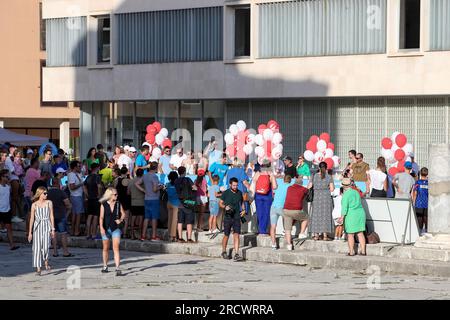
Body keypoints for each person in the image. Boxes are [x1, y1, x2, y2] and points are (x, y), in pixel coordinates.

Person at [28, 187, 56, 276]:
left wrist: (53, 229)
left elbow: (51, 216)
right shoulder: (34, 205)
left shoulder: (49, 203)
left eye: (46, 193)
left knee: (46, 246)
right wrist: (30, 232)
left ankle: (46, 262)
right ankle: (38, 268)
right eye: (44, 193)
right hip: (37, 227)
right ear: (39, 194)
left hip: (46, 225)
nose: (46, 195)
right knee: (36, 248)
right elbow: (32, 219)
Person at [99, 187, 126, 276]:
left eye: (117, 194)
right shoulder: (103, 204)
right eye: (115, 194)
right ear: (110, 195)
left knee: (116, 248)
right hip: (106, 228)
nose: (117, 195)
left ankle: (117, 268)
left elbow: (123, 214)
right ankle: (105, 266)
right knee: (105, 248)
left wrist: (121, 219)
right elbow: (101, 217)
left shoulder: (118, 204)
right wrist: (101, 228)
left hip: (116, 228)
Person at [337, 178, 367, 256]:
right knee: (360, 233)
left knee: (350, 234)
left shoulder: (346, 195)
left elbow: (344, 208)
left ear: (343, 186)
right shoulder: (356, 192)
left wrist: (341, 217)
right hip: (360, 213)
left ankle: (351, 252)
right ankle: (363, 251)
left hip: (351, 215)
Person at [219, 177, 245, 261]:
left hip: (237, 217)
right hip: (228, 217)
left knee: (236, 235)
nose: (235, 187)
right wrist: (225, 207)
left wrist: (244, 210)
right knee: (226, 235)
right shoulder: (226, 193)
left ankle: (236, 254)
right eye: (233, 185)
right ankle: (223, 251)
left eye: (236, 185)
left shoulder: (239, 193)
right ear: (230, 185)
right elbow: (220, 203)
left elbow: (242, 202)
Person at [47, 177, 73, 257]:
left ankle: (55, 252)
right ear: (58, 183)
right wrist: (68, 213)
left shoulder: (47, 193)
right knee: (63, 233)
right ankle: (65, 252)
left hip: (50, 215)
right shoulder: (61, 192)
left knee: (53, 233)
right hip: (61, 215)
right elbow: (68, 204)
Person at [308, 161, 335, 241]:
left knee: (316, 215)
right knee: (325, 216)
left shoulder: (314, 176)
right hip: (326, 198)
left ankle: (316, 235)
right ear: (326, 168)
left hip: (316, 197)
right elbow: (332, 189)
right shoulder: (329, 177)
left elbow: (309, 186)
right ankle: (325, 236)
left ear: (319, 168)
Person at [283, 175, 310, 250]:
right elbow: (308, 191)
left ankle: (289, 245)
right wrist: (309, 186)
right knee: (306, 218)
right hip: (296, 210)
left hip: (286, 210)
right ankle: (301, 233)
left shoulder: (289, 188)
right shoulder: (302, 189)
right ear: (301, 184)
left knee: (288, 229)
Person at [253, 162, 277, 236]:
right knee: (266, 213)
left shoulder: (257, 173)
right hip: (267, 196)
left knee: (259, 213)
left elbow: (253, 183)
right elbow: (275, 186)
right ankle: (264, 231)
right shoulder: (271, 174)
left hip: (258, 195)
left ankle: (261, 230)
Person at [140, 162, 163, 241]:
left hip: (147, 198)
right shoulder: (155, 176)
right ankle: (154, 236)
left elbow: (137, 183)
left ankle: (143, 236)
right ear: (156, 168)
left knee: (146, 218)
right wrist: (161, 187)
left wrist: (143, 190)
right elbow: (155, 189)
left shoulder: (145, 175)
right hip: (154, 199)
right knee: (154, 218)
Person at [175, 166, 197, 243]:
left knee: (180, 221)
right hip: (188, 202)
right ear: (184, 172)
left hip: (179, 203)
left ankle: (180, 238)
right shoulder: (188, 179)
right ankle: (189, 238)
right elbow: (195, 188)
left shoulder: (176, 181)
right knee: (189, 221)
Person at [269, 175, 292, 250]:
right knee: (289, 219)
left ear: (283, 180)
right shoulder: (290, 186)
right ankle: (286, 237)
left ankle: (273, 244)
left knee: (273, 227)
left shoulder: (279, 185)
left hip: (273, 207)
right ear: (290, 180)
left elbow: (274, 192)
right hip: (281, 207)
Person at [0, 170, 19, 250]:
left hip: (7, 210)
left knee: (9, 228)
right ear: (1, 177)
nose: (8, 178)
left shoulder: (8, 187)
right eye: (6, 177)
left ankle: (12, 245)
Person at [84, 162, 103, 240]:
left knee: (89, 216)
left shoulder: (88, 177)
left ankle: (88, 234)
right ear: (97, 168)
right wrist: (99, 195)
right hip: (95, 198)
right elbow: (99, 186)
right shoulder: (97, 177)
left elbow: (84, 186)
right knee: (95, 216)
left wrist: (87, 194)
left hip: (90, 198)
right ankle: (94, 234)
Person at [4, 146, 23, 223]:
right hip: (13, 179)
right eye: (17, 156)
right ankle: (14, 215)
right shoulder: (9, 160)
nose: (18, 157)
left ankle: (15, 215)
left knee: (16, 197)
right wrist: (18, 174)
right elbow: (12, 171)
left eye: (19, 156)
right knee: (14, 197)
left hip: (16, 179)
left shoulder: (16, 161)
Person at [68, 160, 85, 236]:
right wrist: (81, 184)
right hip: (76, 196)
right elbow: (72, 187)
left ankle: (73, 230)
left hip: (77, 196)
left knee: (75, 214)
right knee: (78, 215)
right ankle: (76, 231)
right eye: (78, 166)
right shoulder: (71, 175)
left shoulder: (76, 174)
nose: (80, 167)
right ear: (75, 167)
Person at [128, 168, 145, 240]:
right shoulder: (143, 181)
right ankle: (140, 235)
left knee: (133, 219)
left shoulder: (131, 181)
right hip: (141, 202)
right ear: (142, 174)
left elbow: (128, 192)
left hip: (133, 202)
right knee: (141, 219)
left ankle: (132, 235)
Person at [114, 167, 131, 238]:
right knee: (126, 218)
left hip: (119, 200)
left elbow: (114, 190)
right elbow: (129, 192)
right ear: (126, 172)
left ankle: (118, 233)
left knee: (118, 217)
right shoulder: (128, 180)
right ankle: (124, 233)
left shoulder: (116, 180)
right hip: (126, 200)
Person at [413, 167, 429, 235]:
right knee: (426, 218)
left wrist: (413, 202)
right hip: (426, 204)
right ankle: (427, 231)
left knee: (419, 218)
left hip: (419, 203)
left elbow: (415, 193)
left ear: (420, 173)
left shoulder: (417, 182)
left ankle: (419, 233)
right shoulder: (429, 183)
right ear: (427, 174)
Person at [165, 171, 180, 242]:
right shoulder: (178, 185)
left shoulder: (167, 184)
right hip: (176, 204)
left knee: (170, 220)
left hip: (169, 203)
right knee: (174, 220)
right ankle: (173, 236)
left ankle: (169, 235)